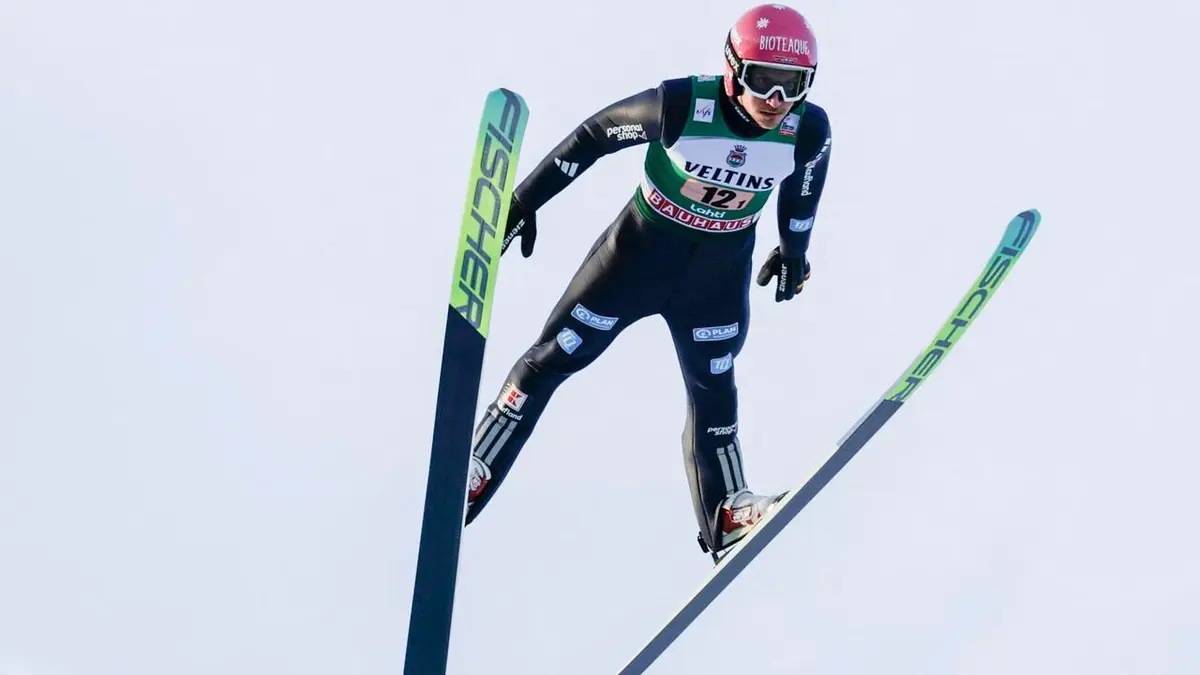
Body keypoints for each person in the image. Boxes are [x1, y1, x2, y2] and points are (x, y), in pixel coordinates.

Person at [464, 3, 832, 560]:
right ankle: (475, 468)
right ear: (733, 68)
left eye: (793, 85)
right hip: (635, 261)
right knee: (552, 358)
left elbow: (803, 192)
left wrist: (795, 254)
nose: (776, 100)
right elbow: (594, 135)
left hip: (714, 280)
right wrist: (523, 202)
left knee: (715, 387)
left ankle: (726, 511)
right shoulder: (681, 105)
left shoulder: (807, 129)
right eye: (763, 80)